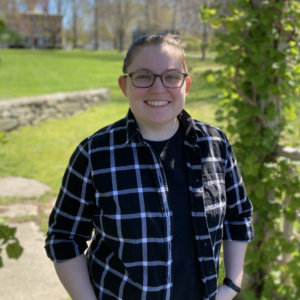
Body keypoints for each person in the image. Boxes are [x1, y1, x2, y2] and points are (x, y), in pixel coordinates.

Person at [45, 33, 254, 300]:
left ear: (186, 85)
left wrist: (231, 286)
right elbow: (64, 238)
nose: (158, 89)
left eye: (171, 76)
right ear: (124, 86)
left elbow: (238, 217)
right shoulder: (94, 154)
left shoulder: (216, 145)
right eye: (143, 76)